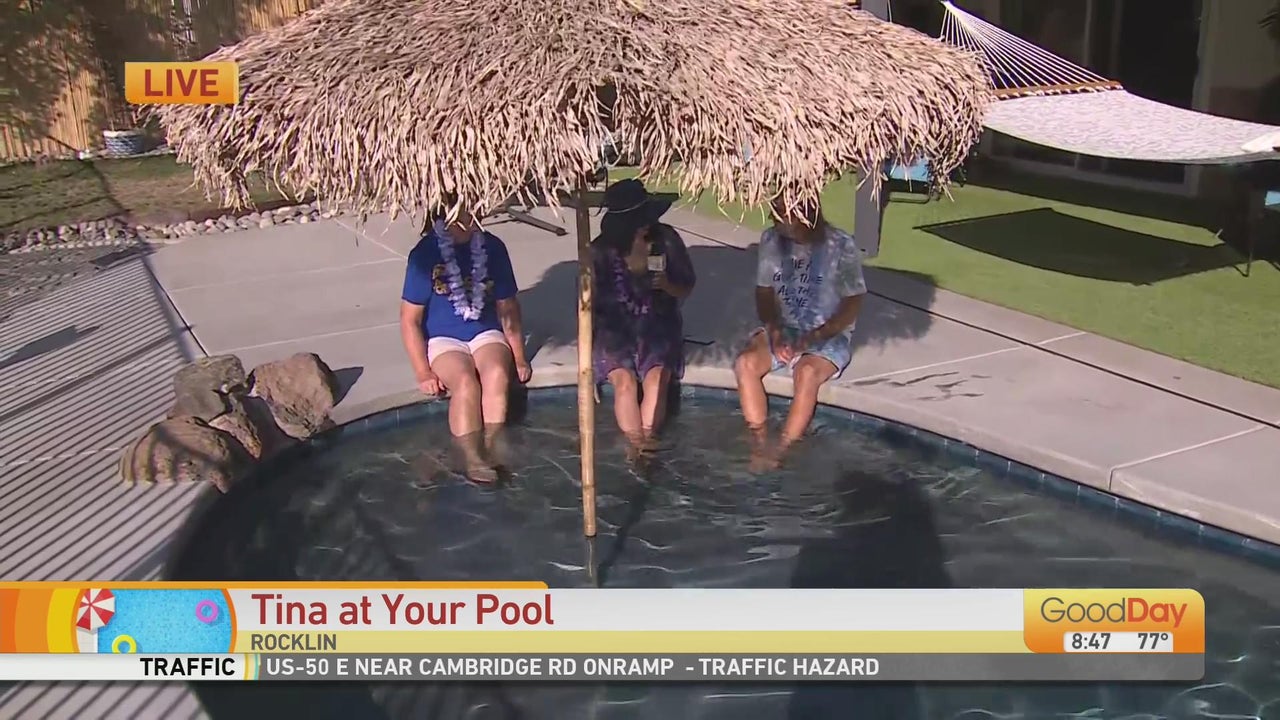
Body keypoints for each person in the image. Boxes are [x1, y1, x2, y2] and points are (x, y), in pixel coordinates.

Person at [400, 203, 532, 483]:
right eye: (467, 211)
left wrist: (519, 357)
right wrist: (423, 371)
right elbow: (410, 320)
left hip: (486, 333)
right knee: (464, 382)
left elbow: (508, 307)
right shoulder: (424, 254)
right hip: (444, 339)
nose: (475, 215)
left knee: (497, 373)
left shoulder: (493, 247)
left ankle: (494, 445)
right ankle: (472, 458)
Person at [734, 195, 867, 471]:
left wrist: (815, 337)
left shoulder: (841, 245)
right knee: (745, 364)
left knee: (806, 373)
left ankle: (781, 449)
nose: (776, 219)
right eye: (775, 212)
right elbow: (764, 292)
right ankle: (760, 442)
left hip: (827, 333)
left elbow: (852, 304)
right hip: (784, 327)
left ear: (806, 213)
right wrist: (774, 330)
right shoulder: (770, 240)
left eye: (783, 213)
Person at [591, 179, 696, 461]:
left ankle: (646, 446)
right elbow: (587, 306)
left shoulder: (666, 240)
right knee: (624, 383)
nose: (647, 225)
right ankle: (636, 446)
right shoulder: (600, 252)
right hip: (614, 329)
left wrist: (668, 286)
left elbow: (687, 286)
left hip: (657, 323)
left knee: (656, 378)